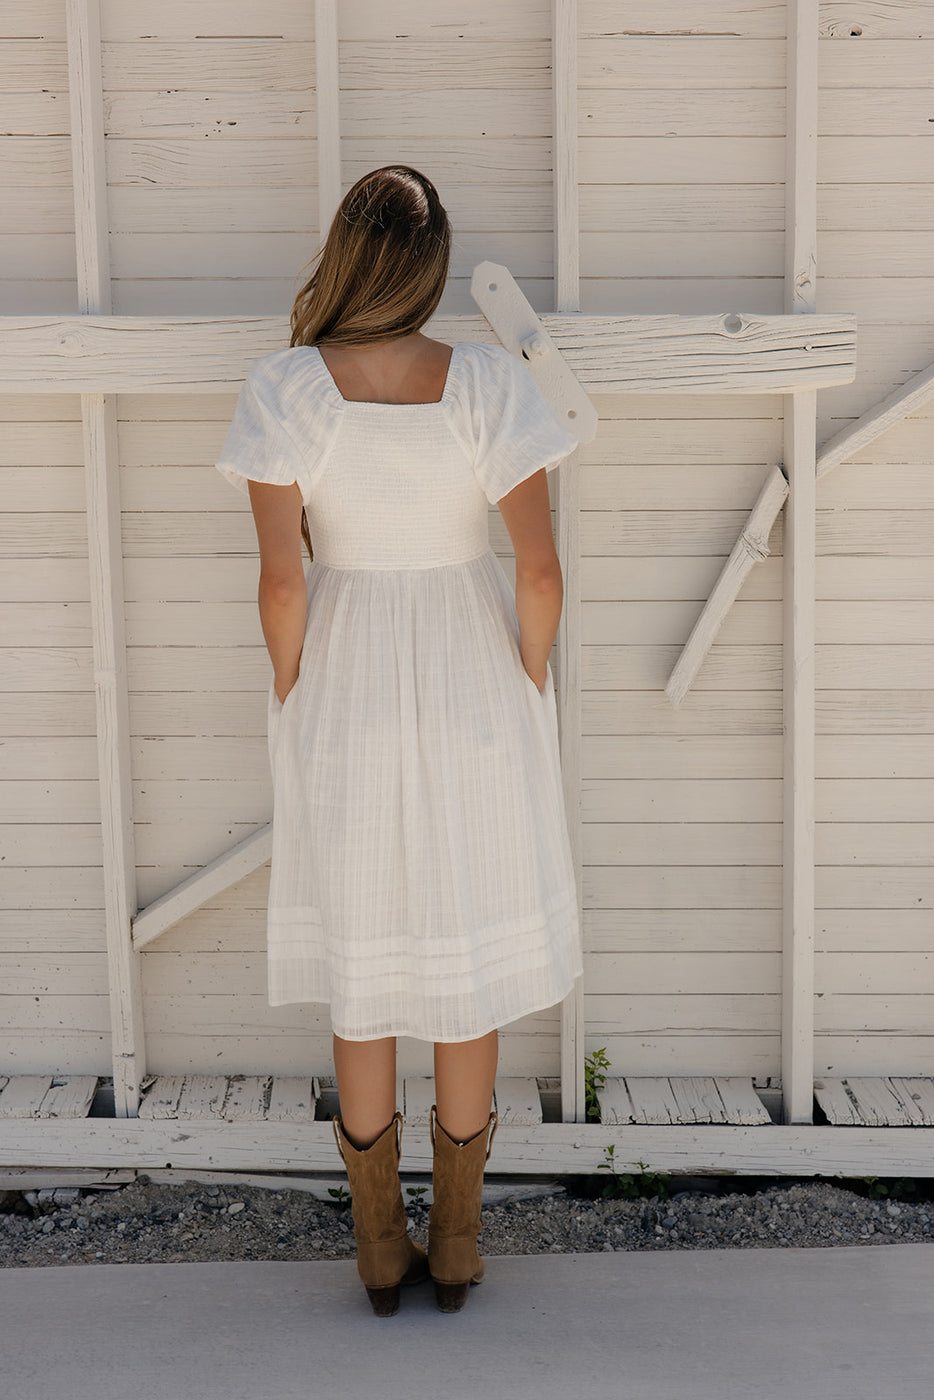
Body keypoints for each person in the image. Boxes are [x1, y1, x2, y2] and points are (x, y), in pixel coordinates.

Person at [214, 165, 583, 1315]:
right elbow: (539, 572)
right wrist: (524, 676)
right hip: (473, 671)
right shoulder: (486, 384)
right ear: (430, 269)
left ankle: (380, 1247)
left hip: (347, 674)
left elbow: (283, 583)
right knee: (465, 956)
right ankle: (457, 1242)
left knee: (364, 961)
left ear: (344, 254)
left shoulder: (285, 387)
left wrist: (294, 689)